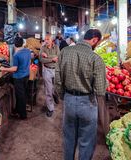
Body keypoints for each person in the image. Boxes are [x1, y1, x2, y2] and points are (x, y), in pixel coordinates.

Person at [55, 29, 110, 160]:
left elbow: (57, 79)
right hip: (88, 103)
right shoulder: (96, 59)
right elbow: (100, 90)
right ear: (95, 40)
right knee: (86, 141)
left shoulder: (64, 52)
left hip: (69, 100)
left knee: (69, 139)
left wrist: (64, 96)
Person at [0, 36, 31, 120]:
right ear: (22, 43)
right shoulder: (28, 51)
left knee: (20, 96)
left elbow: (14, 69)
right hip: (26, 75)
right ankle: (17, 110)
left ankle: (23, 115)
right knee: (21, 94)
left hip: (19, 78)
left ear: (14, 45)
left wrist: (3, 69)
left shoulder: (16, 55)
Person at [40, 34, 60, 117]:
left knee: (56, 87)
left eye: (48, 39)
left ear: (52, 40)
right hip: (47, 70)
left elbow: (58, 57)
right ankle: (50, 108)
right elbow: (41, 59)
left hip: (55, 70)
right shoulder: (43, 48)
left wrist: (47, 57)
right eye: (45, 39)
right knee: (48, 90)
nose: (46, 41)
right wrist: (52, 59)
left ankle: (55, 94)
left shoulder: (56, 47)